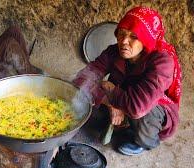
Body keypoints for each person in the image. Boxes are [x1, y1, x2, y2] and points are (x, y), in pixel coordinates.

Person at [73, 7, 182, 155]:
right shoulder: (114, 51)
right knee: (86, 103)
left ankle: (145, 141)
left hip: (151, 106)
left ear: (146, 40)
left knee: (144, 115)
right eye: (121, 34)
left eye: (134, 37)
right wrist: (110, 103)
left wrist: (110, 90)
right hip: (122, 97)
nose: (124, 41)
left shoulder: (162, 63)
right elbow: (84, 78)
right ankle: (122, 122)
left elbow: (137, 107)